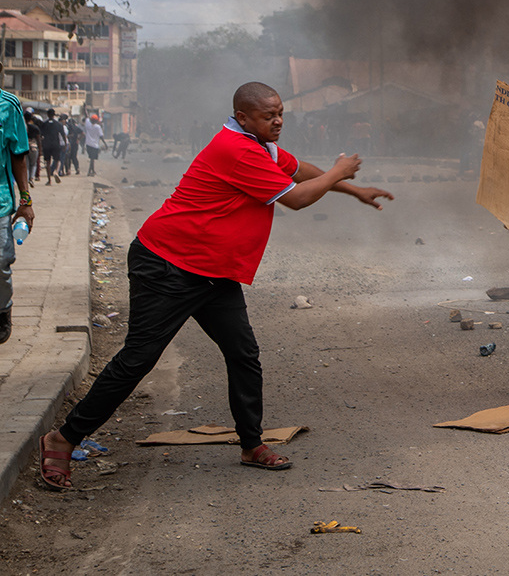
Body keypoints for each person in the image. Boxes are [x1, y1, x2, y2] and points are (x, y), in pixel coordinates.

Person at [37, 82, 394, 489]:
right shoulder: (237, 149)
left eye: (280, 114)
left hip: (212, 271)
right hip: (167, 264)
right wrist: (338, 171)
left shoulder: (262, 146)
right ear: (243, 117)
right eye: (267, 115)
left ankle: (251, 444)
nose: (277, 121)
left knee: (243, 353)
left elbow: (297, 170)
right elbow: (294, 197)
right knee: (138, 359)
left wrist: (353, 190)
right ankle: (63, 439)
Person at [0, 75, 35, 345]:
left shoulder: (8, 105)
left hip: (1, 204)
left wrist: (25, 201)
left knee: (1, 262)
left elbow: (18, 156)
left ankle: (2, 310)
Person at [37, 109, 64, 185]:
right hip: (56, 144)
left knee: (47, 162)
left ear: (48, 115)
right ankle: (56, 171)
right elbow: (63, 135)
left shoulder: (44, 124)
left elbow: (40, 136)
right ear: (54, 115)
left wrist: (41, 146)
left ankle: (49, 180)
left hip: (47, 145)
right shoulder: (58, 124)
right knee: (58, 160)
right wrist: (65, 143)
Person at [24, 108, 41, 186]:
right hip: (34, 147)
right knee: (33, 164)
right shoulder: (35, 128)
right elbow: (38, 140)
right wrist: (40, 150)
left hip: (25, 147)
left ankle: (27, 179)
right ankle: (31, 178)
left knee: (27, 165)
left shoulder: (23, 128)